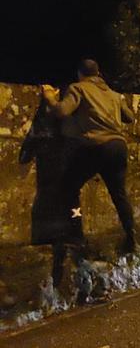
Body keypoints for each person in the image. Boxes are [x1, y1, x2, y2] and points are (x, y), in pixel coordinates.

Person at [41, 59, 138, 257]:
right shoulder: (113, 94)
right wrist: (119, 102)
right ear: (98, 73)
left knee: (69, 186)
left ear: (80, 74)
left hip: (96, 146)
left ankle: (76, 234)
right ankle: (131, 236)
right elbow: (129, 117)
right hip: (118, 147)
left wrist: (50, 97)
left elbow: (62, 111)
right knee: (119, 194)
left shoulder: (79, 88)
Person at [19, 93, 85, 288]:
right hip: (67, 191)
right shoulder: (70, 127)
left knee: (53, 233)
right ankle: (71, 274)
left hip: (48, 191)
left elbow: (24, 156)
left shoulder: (41, 128)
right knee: (74, 222)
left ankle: (57, 280)